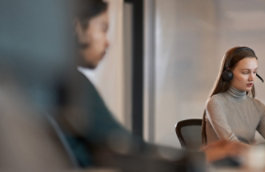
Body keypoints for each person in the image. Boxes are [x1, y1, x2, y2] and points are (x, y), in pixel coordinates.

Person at [55, 0, 248, 170]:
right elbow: (128, 151)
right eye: (103, 28)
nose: (107, 43)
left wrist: (201, 154)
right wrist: (201, 157)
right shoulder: (72, 86)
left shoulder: (54, 84)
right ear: (78, 27)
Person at [201, 46, 265, 145]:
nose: (252, 78)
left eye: (255, 72)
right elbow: (231, 144)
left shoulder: (259, 107)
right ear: (228, 73)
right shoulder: (215, 102)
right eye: (245, 72)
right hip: (223, 159)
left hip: (248, 159)